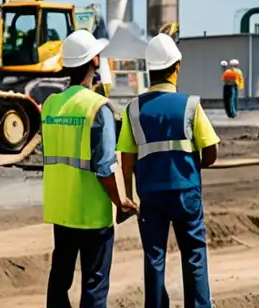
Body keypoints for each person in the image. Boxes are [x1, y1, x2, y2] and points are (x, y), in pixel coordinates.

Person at [117, 33, 219, 308]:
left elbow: (127, 159)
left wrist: (128, 196)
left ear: (150, 70)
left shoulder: (134, 109)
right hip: (186, 192)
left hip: (150, 195)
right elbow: (210, 152)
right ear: (177, 67)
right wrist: (194, 162)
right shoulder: (190, 105)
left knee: (154, 256)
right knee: (194, 253)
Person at [42, 29, 137, 308]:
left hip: (61, 210)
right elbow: (105, 166)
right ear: (95, 60)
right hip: (92, 215)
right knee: (94, 285)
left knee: (59, 279)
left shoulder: (50, 105)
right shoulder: (98, 108)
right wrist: (121, 202)